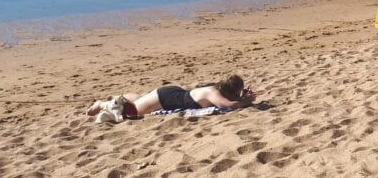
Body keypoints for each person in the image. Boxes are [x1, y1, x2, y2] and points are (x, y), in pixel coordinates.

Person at [85, 74, 256, 118]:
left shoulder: (215, 89)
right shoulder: (213, 93)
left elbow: (230, 101)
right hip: (166, 98)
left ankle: (117, 96)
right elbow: (230, 106)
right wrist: (246, 101)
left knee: (139, 99)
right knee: (133, 111)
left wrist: (241, 97)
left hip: (172, 93)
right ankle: (101, 104)